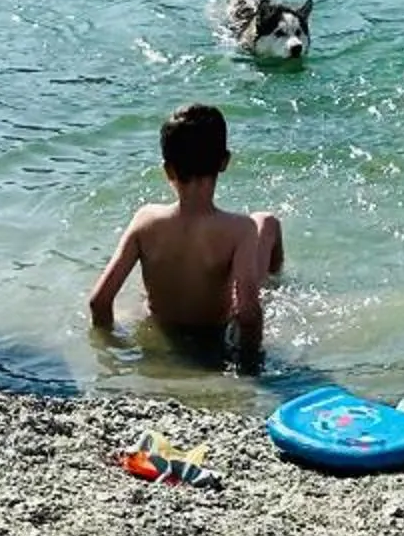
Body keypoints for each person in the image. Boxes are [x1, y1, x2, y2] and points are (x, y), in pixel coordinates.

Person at [87, 102, 284, 363]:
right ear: (224, 162)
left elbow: (99, 301)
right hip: (213, 335)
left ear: (167, 169)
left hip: (163, 328)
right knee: (267, 222)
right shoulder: (240, 229)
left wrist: (115, 353)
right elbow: (247, 314)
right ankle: (278, 283)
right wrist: (248, 367)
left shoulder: (145, 220)